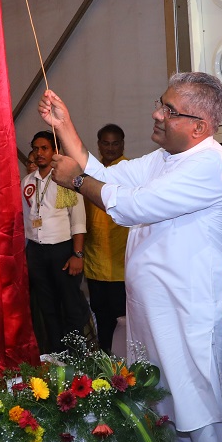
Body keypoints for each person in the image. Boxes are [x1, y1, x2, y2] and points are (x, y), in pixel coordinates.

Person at [40, 73, 222, 442]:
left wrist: (74, 182)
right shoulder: (165, 159)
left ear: (199, 126)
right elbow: (109, 176)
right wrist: (67, 128)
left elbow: (127, 206)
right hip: (153, 324)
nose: (157, 114)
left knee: (205, 432)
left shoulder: (209, 166)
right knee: (172, 430)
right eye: (160, 104)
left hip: (191, 324)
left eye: (169, 110)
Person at [21, 131, 87, 354]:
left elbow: (78, 220)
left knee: (70, 304)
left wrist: (77, 254)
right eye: (35, 148)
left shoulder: (66, 179)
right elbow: (24, 219)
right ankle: (56, 354)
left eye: (44, 148)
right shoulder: (27, 182)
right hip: (36, 251)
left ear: (54, 150)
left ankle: (76, 356)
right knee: (47, 306)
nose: (39, 153)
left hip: (62, 250)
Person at [83, 124, 129, 351]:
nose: (110, 148)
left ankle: (127, 366)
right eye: (106, 143)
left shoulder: (130, 171)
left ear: (122, 144)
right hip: (95, 262)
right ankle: (105, 363)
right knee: (102, 316)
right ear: (99, 145)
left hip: (122, 264)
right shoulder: (91, 173)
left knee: (124, 320)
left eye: (115, 143)